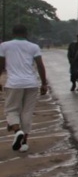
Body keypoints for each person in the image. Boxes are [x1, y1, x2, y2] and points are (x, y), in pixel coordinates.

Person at [0, 24, 48, 153]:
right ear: (26, 34)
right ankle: (24, 142)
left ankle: (17, 131)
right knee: (27, 112)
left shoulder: (4, 46)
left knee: (11, 110)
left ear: (12, 33)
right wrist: (44, 84)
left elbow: (1, 65)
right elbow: (40, 65)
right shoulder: (34, 46)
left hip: (14, 84)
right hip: (31, 83)